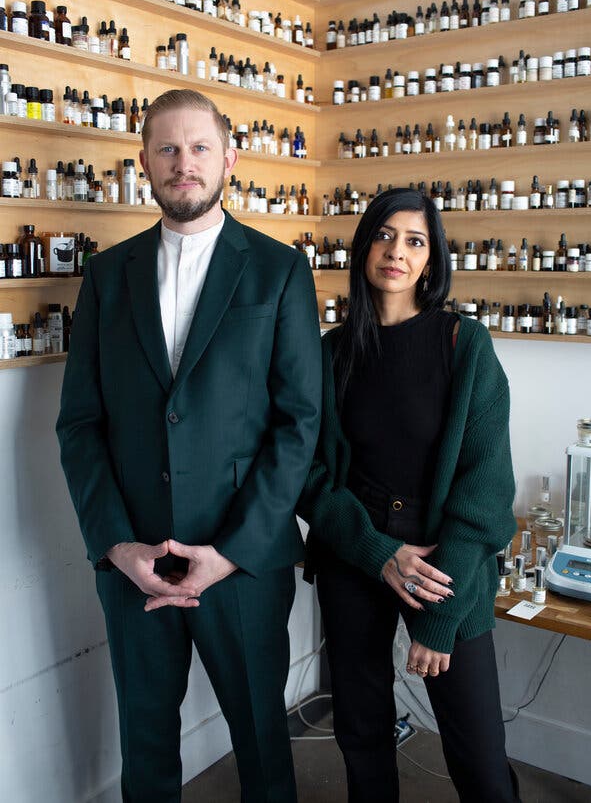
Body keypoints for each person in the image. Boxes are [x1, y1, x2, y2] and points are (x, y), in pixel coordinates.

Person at [56, 88, 322, 803]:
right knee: (146, 746)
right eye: (168, 149)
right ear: (143, 161)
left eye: (199, 147)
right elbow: (79, 424)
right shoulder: (107, 275)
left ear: (229, 157)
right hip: (135, 561)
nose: (184, 163)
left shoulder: (278, 270)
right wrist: (117, 546)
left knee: (264, 744)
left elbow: (299, 423)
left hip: (243, 561)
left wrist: (232, 550)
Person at [298, 187, 520, 802]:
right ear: (364, 246)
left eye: (415, 240)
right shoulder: (331, 353)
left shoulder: (464, 346)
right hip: (356, 556)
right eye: (385, 235)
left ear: (432, 259)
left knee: (477, 751)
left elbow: (486, 491)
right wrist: (376, 553)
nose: (397, 251)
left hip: (449, 569)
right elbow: (312, 476)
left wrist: (440, 616)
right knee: (362, 736)